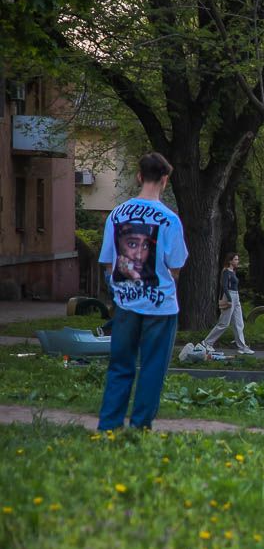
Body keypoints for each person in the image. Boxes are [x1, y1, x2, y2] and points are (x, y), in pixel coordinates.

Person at [97, 152, 189, 431]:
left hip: (125, 303)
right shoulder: (170, 219)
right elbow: (175, 266)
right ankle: (139, 427)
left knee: (120, 365)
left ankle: (109, 425)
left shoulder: (116, 215)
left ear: (139, 176)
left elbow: (109, 261)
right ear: (165, 180)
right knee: (152, 368)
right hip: (160, 307)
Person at [201, 253, 254, 355]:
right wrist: (229, 299)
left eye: (238, 259)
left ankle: (242, 347)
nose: (237, 261)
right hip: (229, 296)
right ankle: (207, 342)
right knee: (224, 323)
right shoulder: (226, 272)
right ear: (230, 261)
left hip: (236, 296)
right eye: (235, 259)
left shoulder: (233, 272)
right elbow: (224, 286)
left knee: (239, 323)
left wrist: (235, 299)